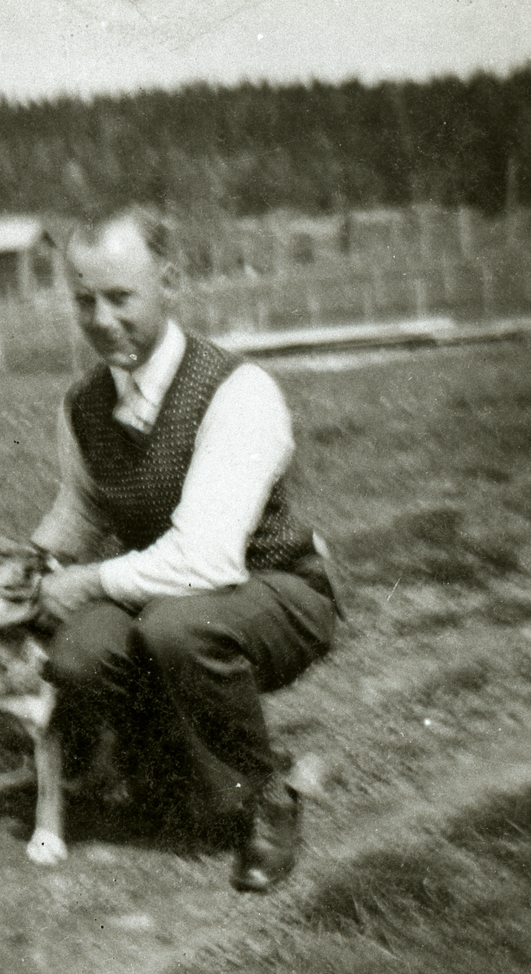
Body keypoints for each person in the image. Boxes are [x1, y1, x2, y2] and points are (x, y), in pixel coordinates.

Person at [30, 207, 340, 892]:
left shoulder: (237, 390)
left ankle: (270, 797)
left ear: (170, 281)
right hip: (162, 593)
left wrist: (84, 584)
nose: (102, 320)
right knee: (78, 655)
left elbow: (207, 561)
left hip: (275, 590)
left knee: (179, 627)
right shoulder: (81, 406)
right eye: (84, 301)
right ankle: (174, 770)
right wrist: (27, 568)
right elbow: (82, 507)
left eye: (121, 298)